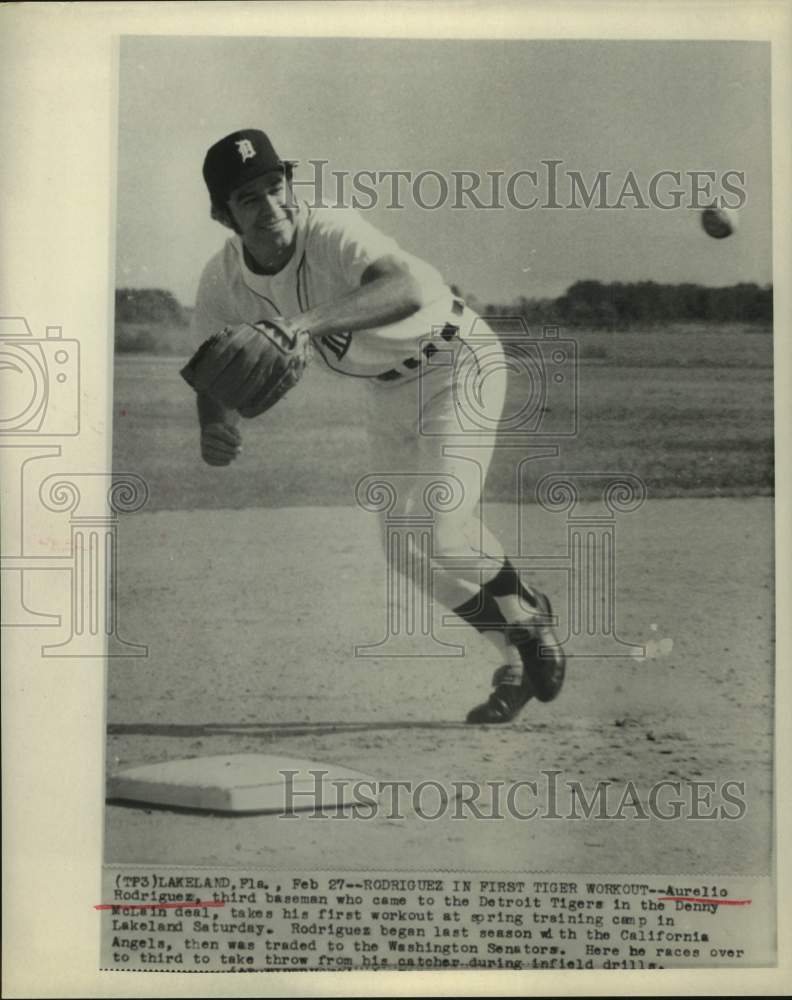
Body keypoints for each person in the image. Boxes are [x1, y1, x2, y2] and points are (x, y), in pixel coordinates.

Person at [191, 128, 565, 723]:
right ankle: (513, 657)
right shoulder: (222, 280)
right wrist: (215, 423)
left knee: (441, 527)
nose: (272, 206)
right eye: (249, 198)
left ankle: (527, 612)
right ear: (223, 215)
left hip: (457, 360)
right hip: (388, 393)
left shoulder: (331, 230)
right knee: (402, 549)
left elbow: (408, 287)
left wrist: (305, 323)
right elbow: (209, 364)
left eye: (275, 185)